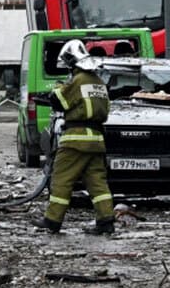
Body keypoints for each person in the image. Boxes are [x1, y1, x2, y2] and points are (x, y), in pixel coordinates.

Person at [31, 39, 115, 235]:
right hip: (96, 140)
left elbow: (58, 100)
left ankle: (52, 220)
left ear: (72, 62)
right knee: (97, 183)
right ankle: (106, 221)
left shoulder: (78, 80)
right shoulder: (99, 82)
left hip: (76, 139)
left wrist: (54, 90)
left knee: (61, 178)